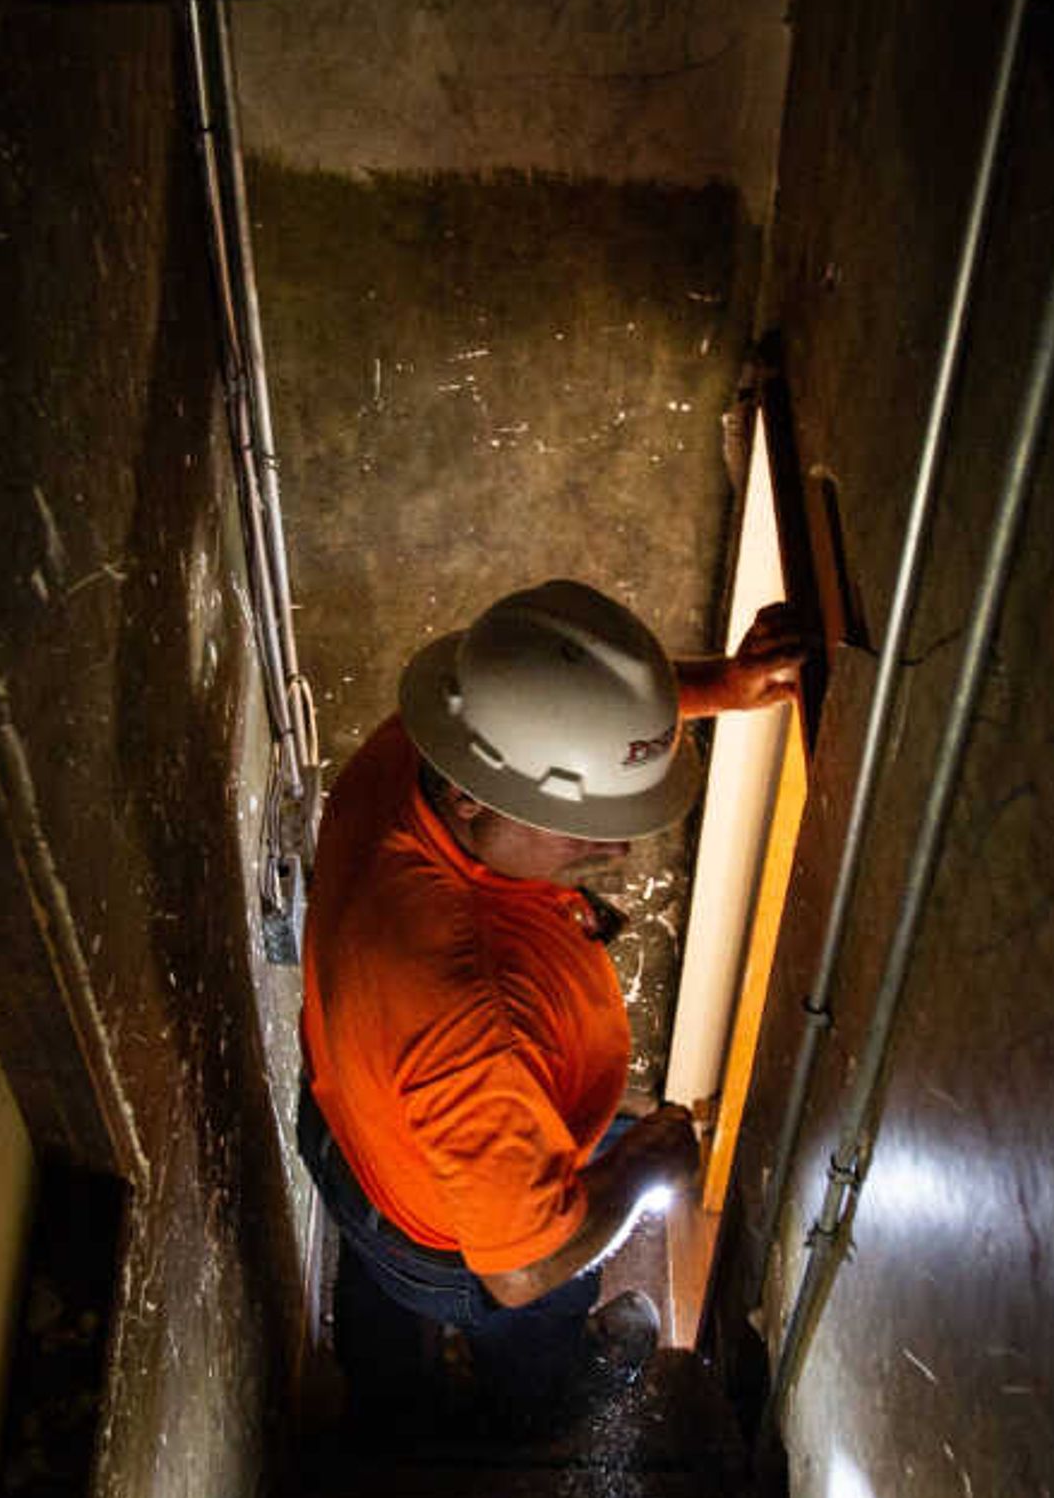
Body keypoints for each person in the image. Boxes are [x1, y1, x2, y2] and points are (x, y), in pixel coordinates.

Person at [295, 577, 809, 1428]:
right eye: (583, 825)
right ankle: (532, 1412)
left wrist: (724, 684)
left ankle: (385, 1393)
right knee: (534, 1319)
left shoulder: (422, 750)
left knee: (377, 1293)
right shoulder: (463, 1011)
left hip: (349, 1127)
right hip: (454, 1247)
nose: (617, 844)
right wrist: (644, 1167)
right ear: (470, 797)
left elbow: (554, 707)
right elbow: (521, 1269)